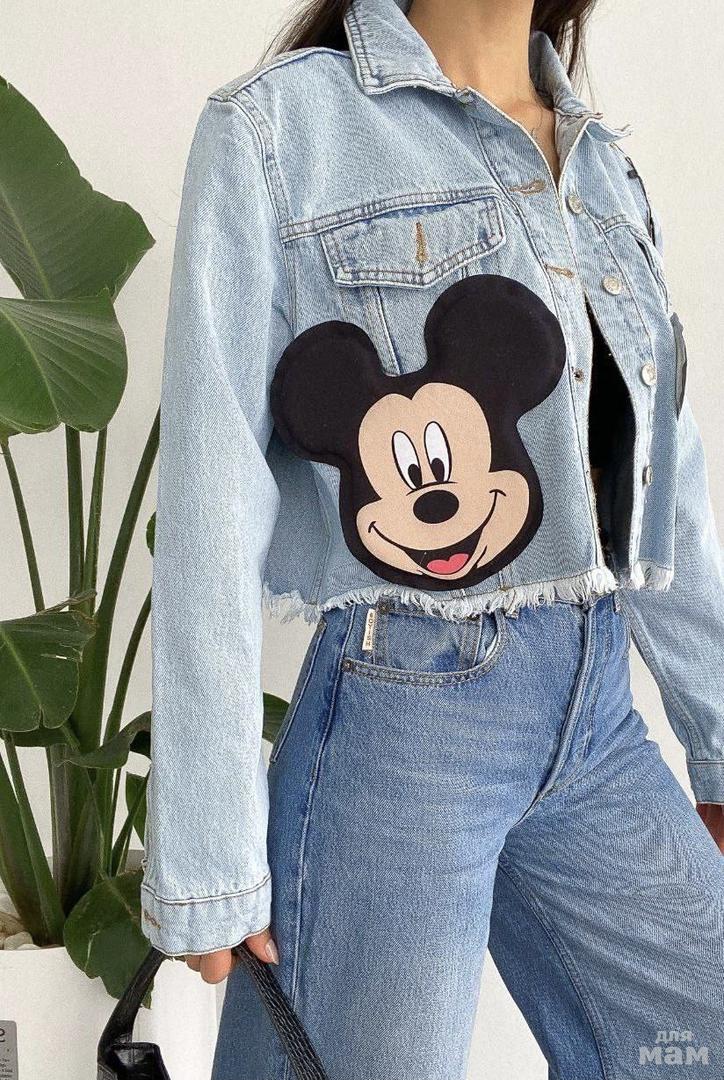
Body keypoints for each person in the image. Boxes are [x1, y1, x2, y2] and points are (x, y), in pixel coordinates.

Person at [142, 1, 724, 1076]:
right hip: (402, 722)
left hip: (596, 715)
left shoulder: (600, 165)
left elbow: (666, 478)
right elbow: (209, 508)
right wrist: (209, 856)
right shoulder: (280, 129)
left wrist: (718, 737)